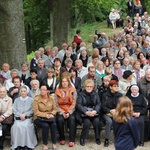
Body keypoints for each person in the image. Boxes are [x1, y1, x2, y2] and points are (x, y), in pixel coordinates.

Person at [11, 86, 37, 150]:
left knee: (26, 126)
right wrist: (20, 115)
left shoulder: (31, 100)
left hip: (28, 118)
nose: (23, 92)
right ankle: (17, 144)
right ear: (20, 92)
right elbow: (14, 110)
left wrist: (25, 114)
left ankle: (27, 144)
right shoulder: (16, 100)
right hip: (18, 118)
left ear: (27, 92)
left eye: (24, 91)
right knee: (16, 126)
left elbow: (32, 110)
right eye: (21, 91)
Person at [76, 79, 101, 146]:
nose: (89, 88)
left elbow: (98, 103)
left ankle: (97, 137)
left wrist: (95, 111)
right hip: (84, 114)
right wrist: (86, 112)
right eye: (87, 86)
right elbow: (79, 105)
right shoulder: (81, 94)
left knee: (96, 121)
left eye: (90, 86)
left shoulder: (95, 94)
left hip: (94, 113)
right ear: (84, 86)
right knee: (87, 122)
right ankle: (82, 138)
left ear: (93, 87)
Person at [33, 85, 58, 150]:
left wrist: (52, 114)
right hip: (39, 118)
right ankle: (45, 145)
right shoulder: (36, 99)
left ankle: (54, 144)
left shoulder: (51, 98)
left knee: (54, 125)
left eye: (44, 90)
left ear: (47, 91)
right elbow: (36, 112)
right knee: (45, 125)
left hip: (50, 117)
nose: (42, 91)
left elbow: (55, 109)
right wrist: (46, 115)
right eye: (41, 89)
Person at [55, 75, 77, 147]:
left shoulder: (73, 90)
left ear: (68, 82)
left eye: (66, 81)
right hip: (61, 110)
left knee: (72, 119)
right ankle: (62, 138)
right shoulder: (57, 90)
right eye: (63, 82)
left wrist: (69, 112)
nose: (64, 83)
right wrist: (62, 112)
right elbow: (56, 103)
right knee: (59, 119)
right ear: (61, 82)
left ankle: (71, 139)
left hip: (70, 109)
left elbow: (74, 102)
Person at [102, 80, 122, 147]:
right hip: (106, 113)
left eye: (117, 86)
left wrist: (116, 110)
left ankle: (118, 138)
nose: (116, 87)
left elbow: (122, 106)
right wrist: (110, 110)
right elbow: (103, 106)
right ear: (110, 87)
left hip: (117, 113)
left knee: (117, 121)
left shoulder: (120, 95)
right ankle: (107, 139)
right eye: (114, 86)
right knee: (109, 122)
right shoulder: (105, 95)